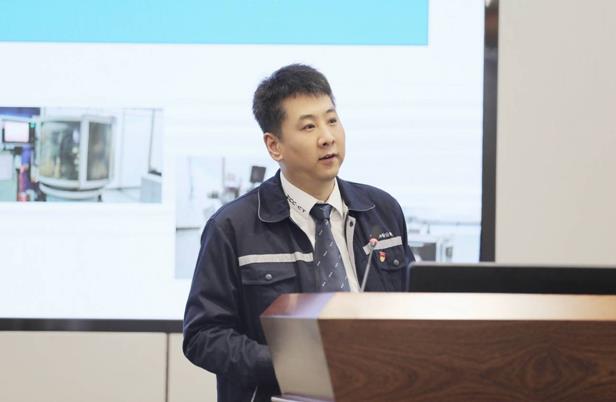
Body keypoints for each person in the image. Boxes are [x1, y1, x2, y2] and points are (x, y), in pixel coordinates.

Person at [183, 64, 415, 402]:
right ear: (274, 145)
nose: (327, 137)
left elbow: (414, 310)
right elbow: (203, 336)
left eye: (332, 120)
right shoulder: (232, 227)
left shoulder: (381, 210)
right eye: (309, 126)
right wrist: (289, 365)